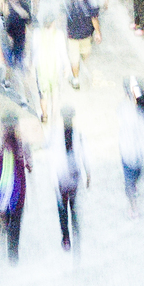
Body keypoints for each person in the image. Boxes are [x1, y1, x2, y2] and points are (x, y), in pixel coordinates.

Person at [0, 112, 32, 263]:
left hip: (1, 192)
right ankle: (13, 254)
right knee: (16, 221)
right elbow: (30, 165)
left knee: (4, 218)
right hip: (19, 192)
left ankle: (4, 233)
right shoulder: (23, 146)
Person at [54, 106, 90, 252]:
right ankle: (74, 231)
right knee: (73, 205)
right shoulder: (78, 135)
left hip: (62, 177)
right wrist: (88, 174)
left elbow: (54, 158)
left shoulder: (56, 136)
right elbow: (84, 155)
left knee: (62, 209)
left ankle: (66, 237)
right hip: (74, 176)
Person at [118, 78, 144, 217]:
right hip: (141, 150)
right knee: (137, 174)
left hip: (128, 150)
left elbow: (122, 111)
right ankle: (134, 193)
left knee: (129, 181)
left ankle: (133, 208)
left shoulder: (126, 110)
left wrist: (128, 97)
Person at [64, 0, 101, 89]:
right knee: (85, 55)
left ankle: (76, 79)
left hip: (72, 35)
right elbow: (94, 18)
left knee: (74, 59)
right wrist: (98, 32)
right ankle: (84, 70)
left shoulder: (69, 0)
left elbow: (64, 15)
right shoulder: (90, 0)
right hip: (86, 34)